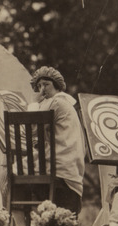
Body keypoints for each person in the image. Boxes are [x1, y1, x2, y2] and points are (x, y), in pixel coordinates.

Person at [30, 66, 86, 214]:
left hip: (60, 164)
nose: (42, 89)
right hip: (70, 163)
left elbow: (32, 128)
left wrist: (35, 102)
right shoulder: (64, 102)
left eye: (46, 84)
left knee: (11, 171)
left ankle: (18, 223)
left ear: (56, 85)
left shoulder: (55, 102)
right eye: (39, 85)